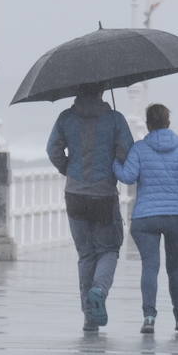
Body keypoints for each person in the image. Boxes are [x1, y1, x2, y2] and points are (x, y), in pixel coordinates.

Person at [113, 104, 178, 334]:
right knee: (175, 267)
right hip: (177, 217)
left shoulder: (139, 149)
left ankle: (149, 317)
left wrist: (115, 161)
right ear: (168, 122)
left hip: (145, 218)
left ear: (148, 124)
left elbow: (127, 177)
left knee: (150, 266)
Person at [48, 88, 133, 332]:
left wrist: (69, 169)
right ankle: (99, 290)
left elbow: (52, 149)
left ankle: (89, 315)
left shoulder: (66, 117)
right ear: (102, 90)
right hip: (103, 194)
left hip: (74, 193)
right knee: (108, 249)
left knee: (85, 254)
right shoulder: (115, 119)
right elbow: (127, 151)